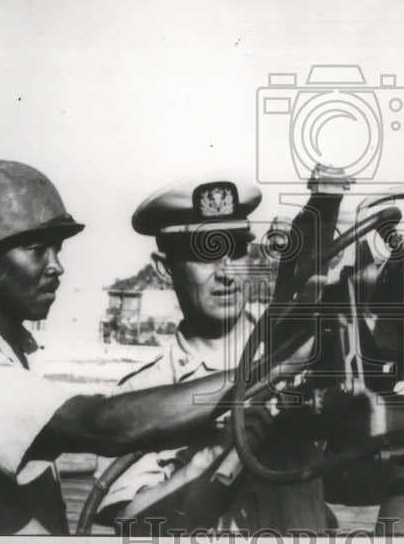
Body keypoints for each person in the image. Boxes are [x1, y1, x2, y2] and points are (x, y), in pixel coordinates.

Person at [0, 160, 298, 535]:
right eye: (36, 249)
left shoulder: (3, 356)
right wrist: (265, 372)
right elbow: (100, 425)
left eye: (57, 248)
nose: (57, 266)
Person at [92, 176, 330, 533]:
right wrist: (209, 458)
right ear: (164, 266)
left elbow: (356, 483)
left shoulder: (300, 354)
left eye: (235, 250)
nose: (226, 273)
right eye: (204, 254)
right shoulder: (140, 394)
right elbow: (130, 528)